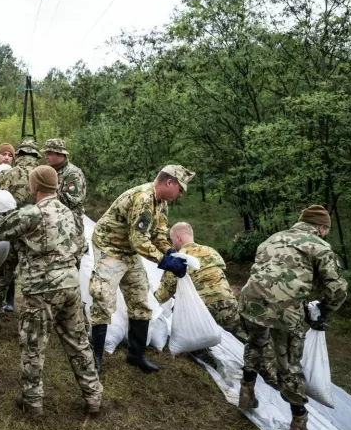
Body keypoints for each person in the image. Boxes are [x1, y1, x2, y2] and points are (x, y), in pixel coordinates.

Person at [0, 166, 103, 416]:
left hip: (41, 288)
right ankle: (93, 396)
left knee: (33, 344)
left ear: (35, 186)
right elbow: (80, 247)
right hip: (70, 284)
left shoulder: (32, 213)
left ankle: (32, 402)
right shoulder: (69, 213)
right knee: (78, 342)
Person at [237, 205, 348, 430]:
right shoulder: (320, 246)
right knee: (289, 364)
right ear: (321, 227)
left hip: (250, 301)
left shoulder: (272, 238)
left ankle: (246, 394)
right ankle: (298, 424)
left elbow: (261, 272)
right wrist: (322, 312)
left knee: (255, 344)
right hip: (285, 311)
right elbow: (337, 289)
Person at [88, 165, 195, 374]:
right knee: (103, 296)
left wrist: (172, 254)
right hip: (110, 247)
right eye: (180, 189)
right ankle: (96, 356)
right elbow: (139, 241)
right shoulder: (144, 198)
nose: (180, 193)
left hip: (129, 250)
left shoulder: (161, 203)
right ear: (169, 182)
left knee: (141, 299)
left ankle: (136, 355)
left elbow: (159, 236)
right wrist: (165, 262)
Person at [0, 140, 40, 330]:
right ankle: (30, 322)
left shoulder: (9, 173)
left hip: (11, 232)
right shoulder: (42, 175)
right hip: (32, 235)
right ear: (36, 157)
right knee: (32, 279)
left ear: (18, 155)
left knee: (2, 277)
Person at [153, 222, 239, 331]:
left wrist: (150, 303)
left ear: (178, 238)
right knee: (235, 341)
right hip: (228, 302)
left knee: (193, 338)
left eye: (172, 240)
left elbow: (165, 291)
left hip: (203, 308)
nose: (172, 244)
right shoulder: (211, 251)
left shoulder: (178, 258)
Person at [43, 139, 88, 257]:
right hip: (55, 226)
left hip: (71, 227)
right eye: (46, 153)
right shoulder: (50, 171)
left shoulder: (72, 173)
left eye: (50, 153)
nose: (46, 157)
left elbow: (73, 200)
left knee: (73, 262)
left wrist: (47, 193)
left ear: (60, 154)